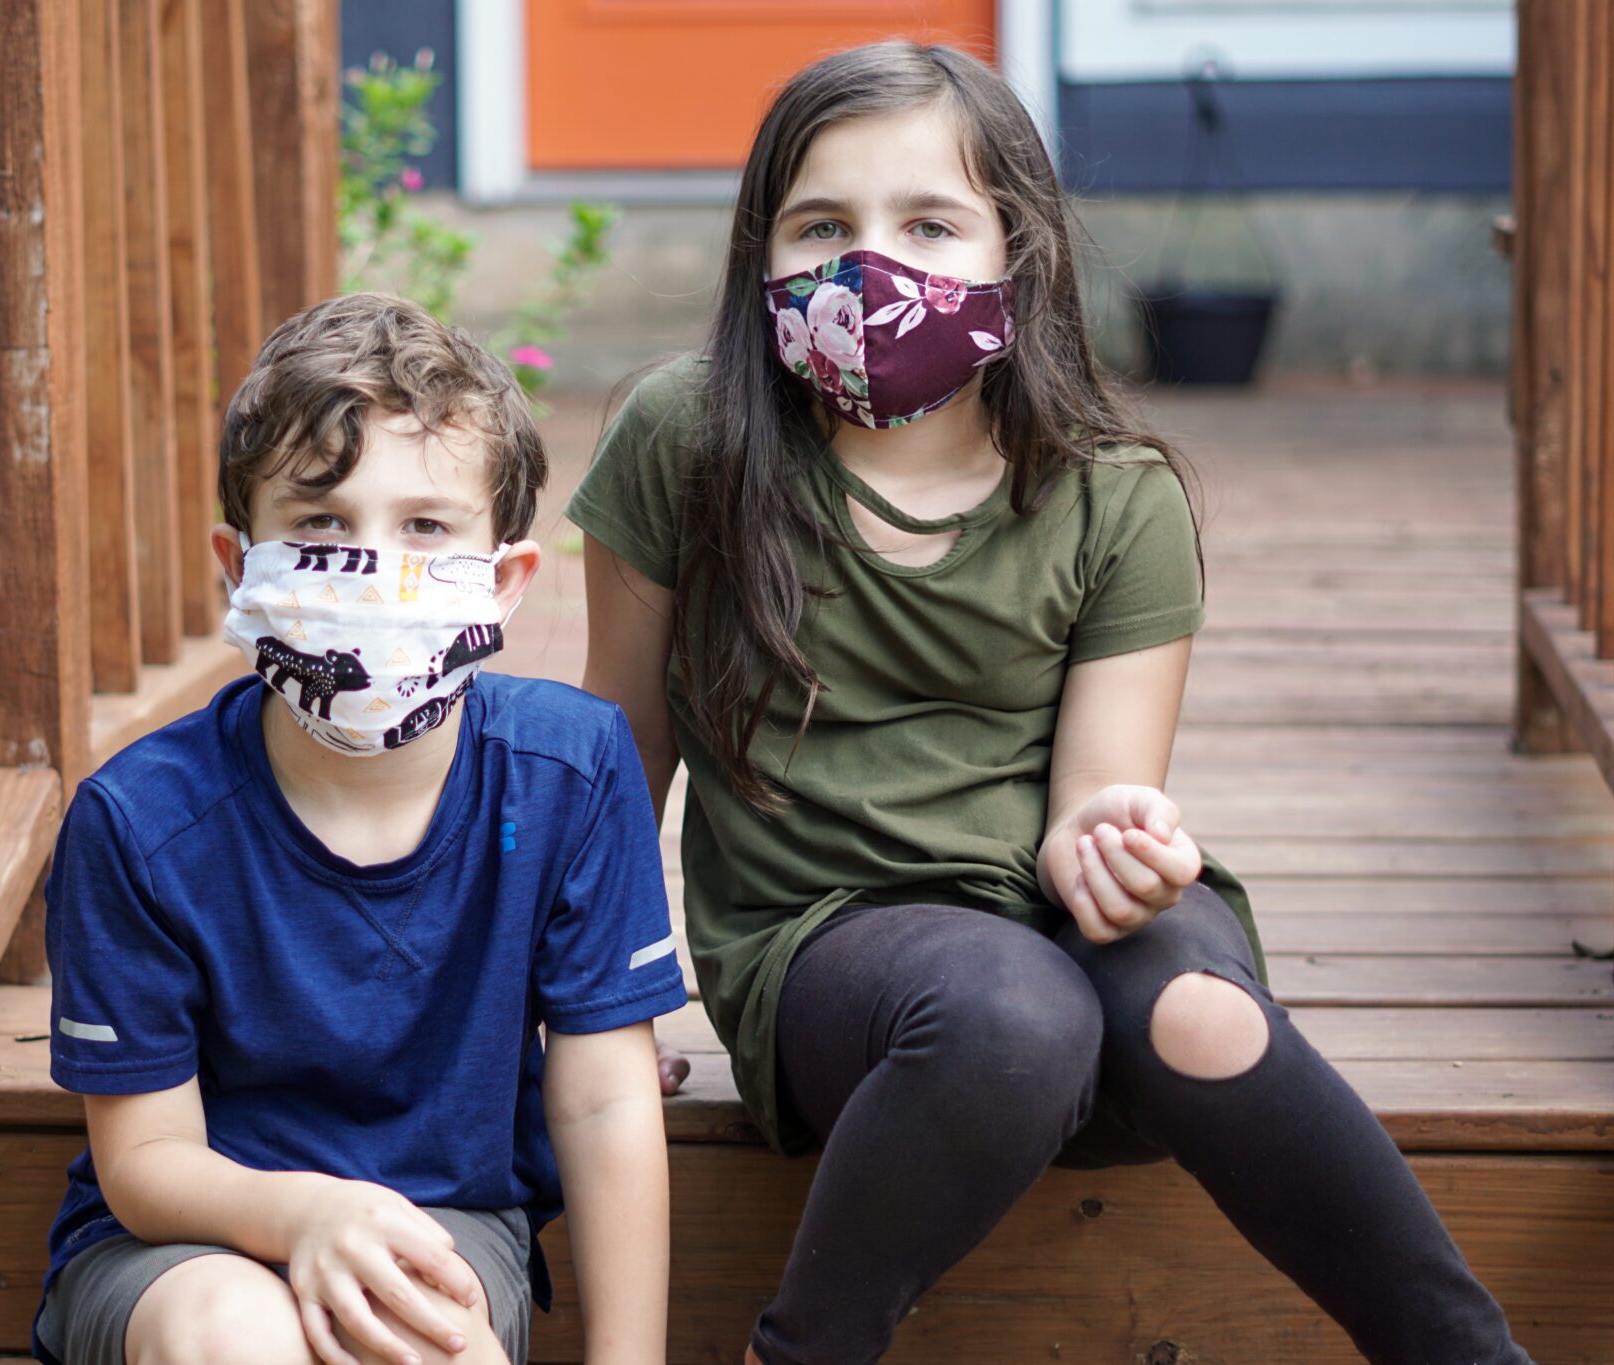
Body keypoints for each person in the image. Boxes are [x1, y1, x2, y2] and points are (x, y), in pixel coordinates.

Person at [568, 41, 1533, 1365]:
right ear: (761, 253)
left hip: (1068, 925)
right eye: (821, 226)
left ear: (1017, 253)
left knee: (1196, 1007)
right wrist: (584, 1004)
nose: (871, 263)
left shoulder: (1115, 492)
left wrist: (1115, 845)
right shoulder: (687, 438)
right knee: (1013, 1016)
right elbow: (620, 741)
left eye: (928, 223)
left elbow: (1094, 800)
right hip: (833, 948)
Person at [31, 292, 689, 1365]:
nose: (371, 568)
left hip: (446, 1225)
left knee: (411, 1338)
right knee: (234, 1339)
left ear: (505, 579)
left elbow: (607, 1101)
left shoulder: (571, 772)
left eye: (424, 527)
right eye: (320, 524)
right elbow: (145, 1158)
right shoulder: (138, 821)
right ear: (239, 566)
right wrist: (306, 1219)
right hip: (187, 1246)